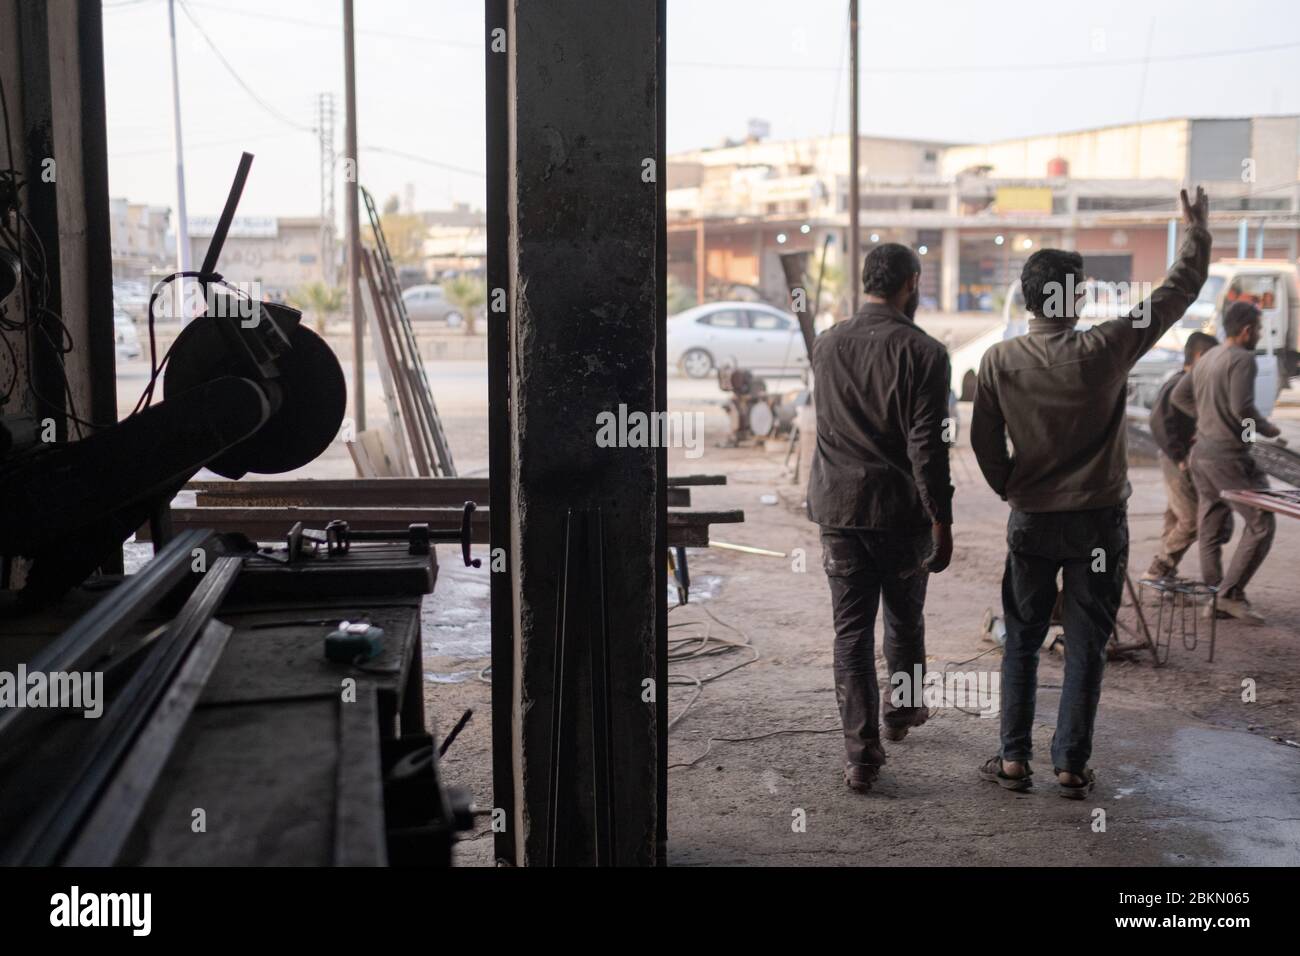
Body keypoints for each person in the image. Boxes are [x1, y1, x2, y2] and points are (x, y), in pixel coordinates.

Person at [970, 187, 1211, 798]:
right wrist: (1196, 233)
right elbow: (1177, 294)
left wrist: (1013, 488)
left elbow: (984, 445)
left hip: (1032, 520)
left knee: (1021, 640)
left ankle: (1014, 760)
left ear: (1029, 297)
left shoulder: (998, 363)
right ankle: (1071, 765)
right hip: (1099, 525)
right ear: (1074, 298)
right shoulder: (1108, 346)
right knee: (1086, 645)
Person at [807, 242, 954, 794]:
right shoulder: (926, 352)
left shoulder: (826, 344)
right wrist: (942, 518)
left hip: (840, 513)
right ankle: (902, 709)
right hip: (901, 515)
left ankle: (861, 757)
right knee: (905, 618)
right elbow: (927, 448)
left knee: (850, 634)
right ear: (911, 283)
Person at [1170, 300, 1285, 624]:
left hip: (1202, 456)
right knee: (1261, 523)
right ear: (1247, 330)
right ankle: (1229, 596)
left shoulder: (1208, 357)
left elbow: (1179, 396)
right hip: (1228, 457)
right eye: (1259, 329)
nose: (1260, 335)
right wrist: (1267, 428)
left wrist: (1206, 419)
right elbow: (1243, 408)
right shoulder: (1243, 359)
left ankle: (1214, 595)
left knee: (1210, 523)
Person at [1142, 331, 1220, 581]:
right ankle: (1159, 568)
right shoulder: (1179, 383)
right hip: (1176, 461)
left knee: (1176, 516)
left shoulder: (1192, 383)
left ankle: (1165, 574)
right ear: (1198, 356)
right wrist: (1178, 456)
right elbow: (1159, 421)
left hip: (1184, 460)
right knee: (1192, 520)